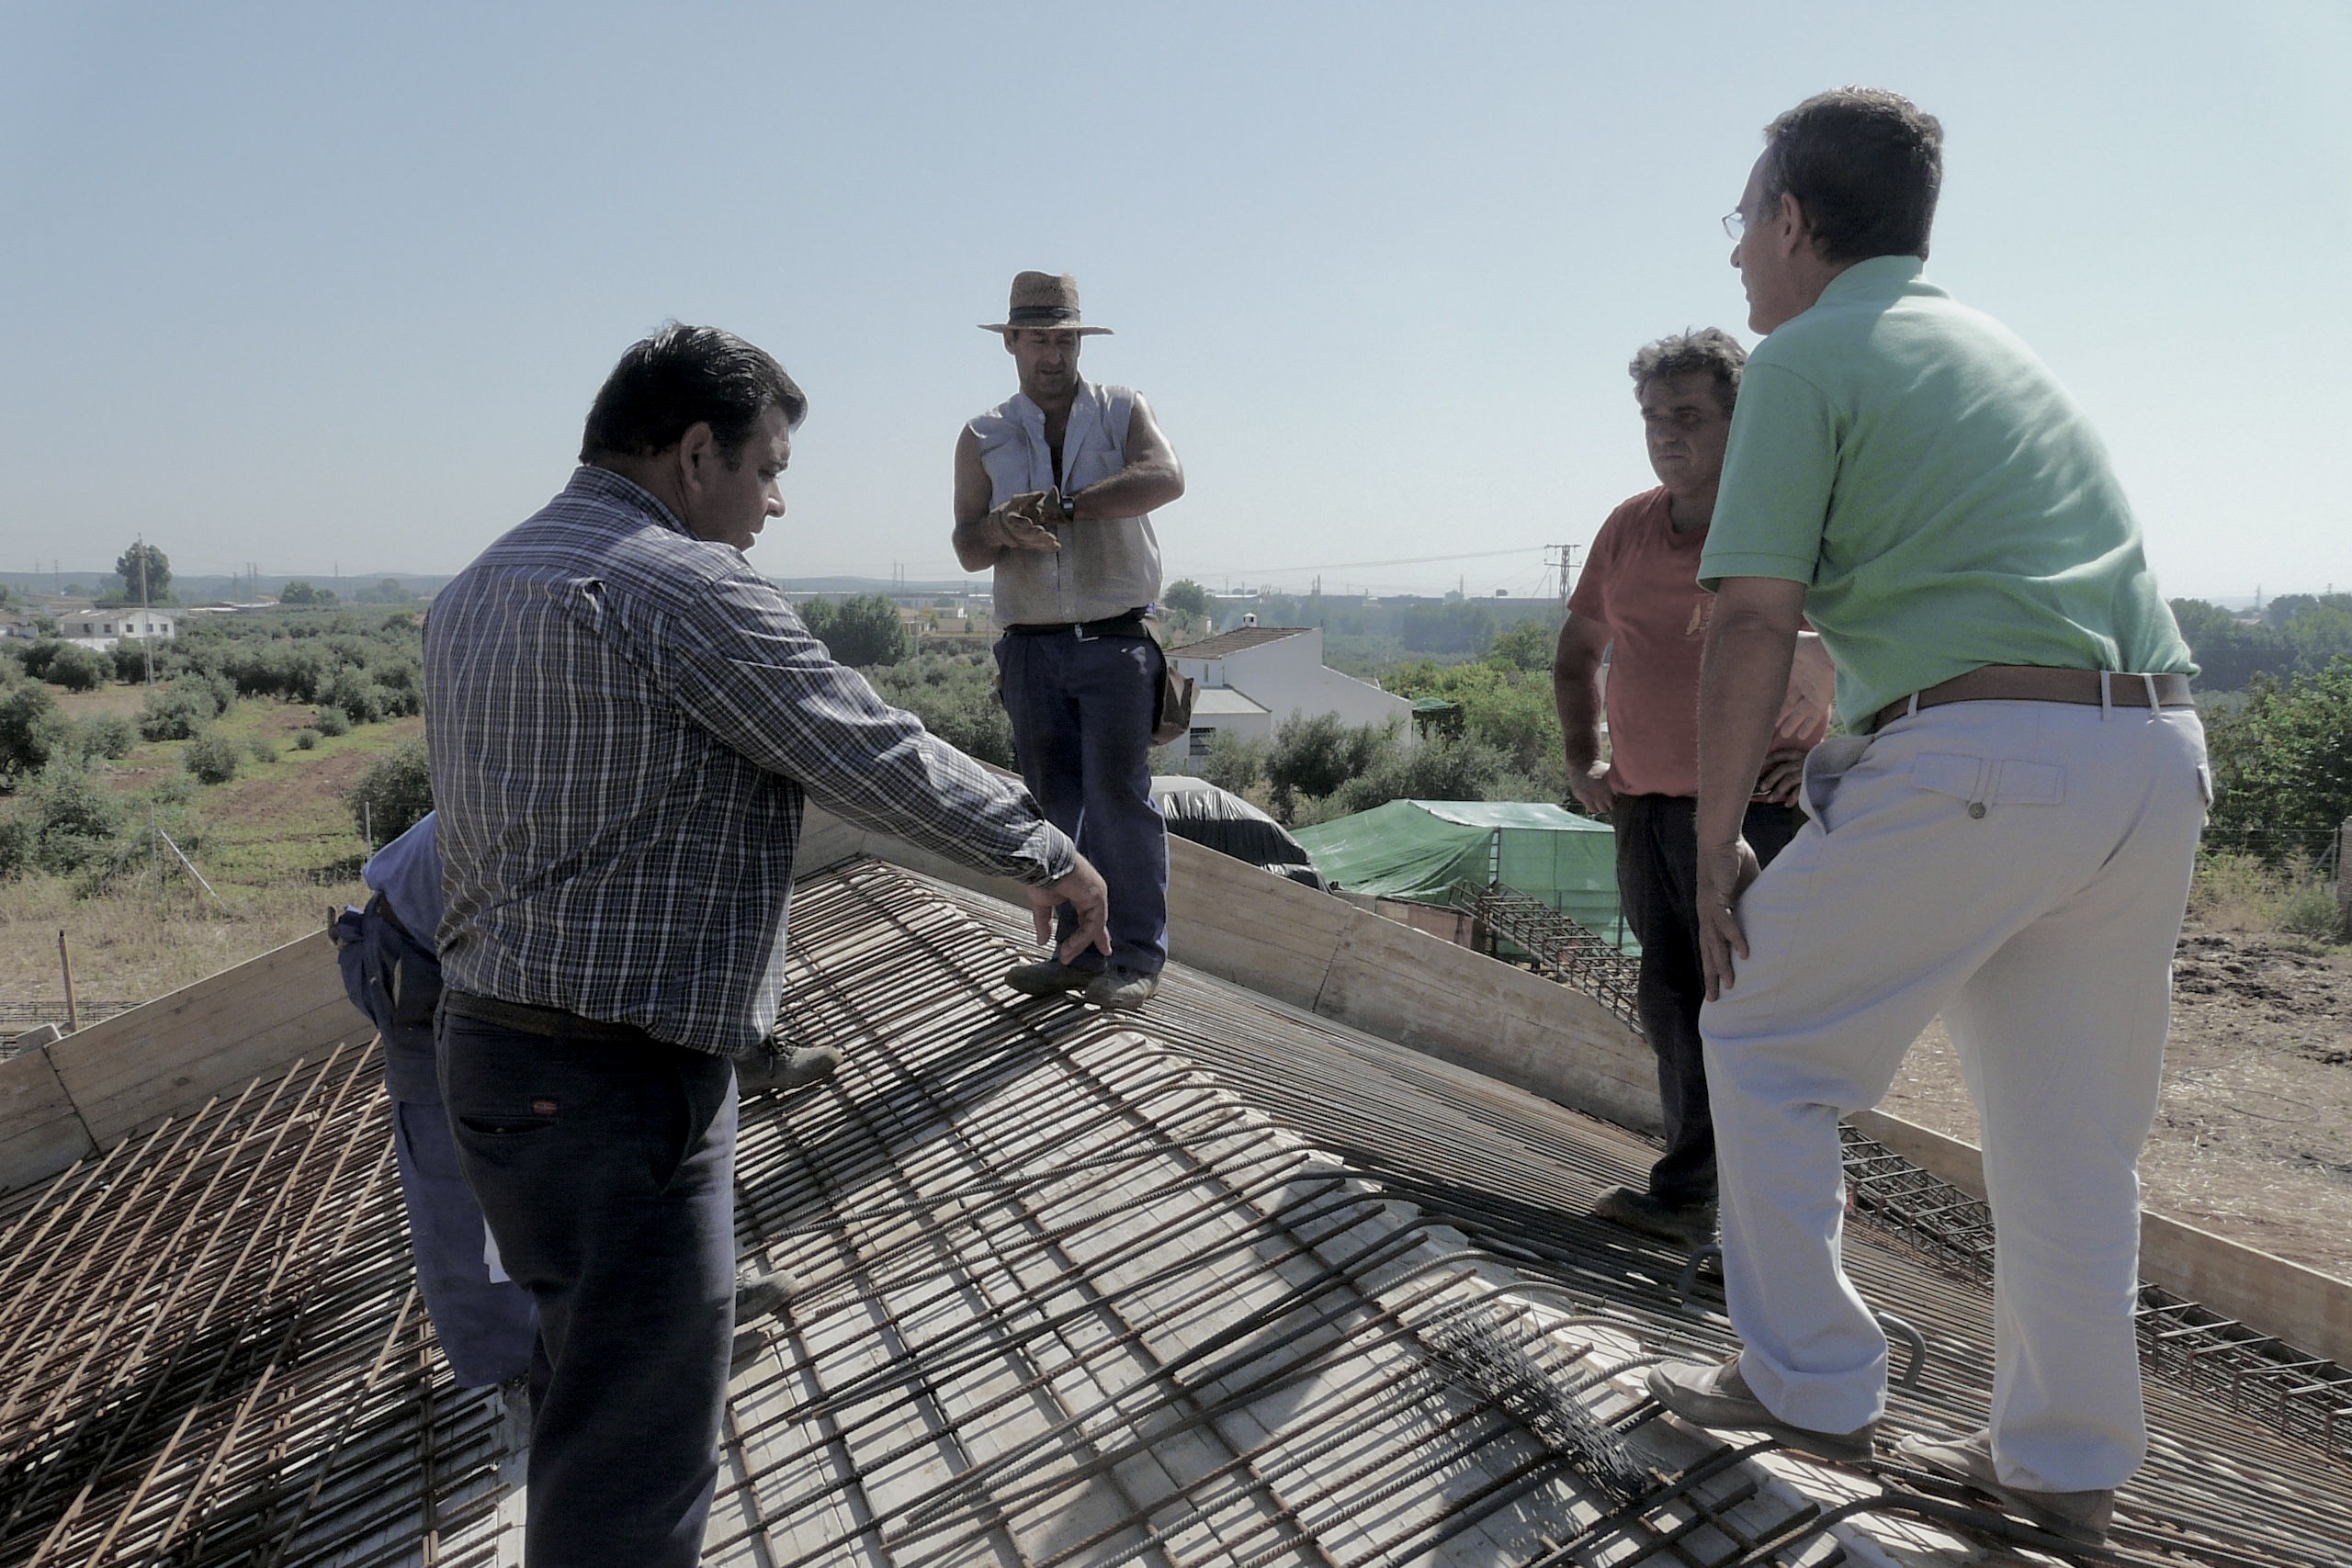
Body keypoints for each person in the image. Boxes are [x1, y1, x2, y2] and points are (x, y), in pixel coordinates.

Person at [424, 323, 1109, 1568]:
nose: (776, 506)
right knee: (638, 1455)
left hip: (497, 1065)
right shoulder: (673, 582)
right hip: (620, 1086)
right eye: (768, 469)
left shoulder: (481, 582)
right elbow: (865, 746)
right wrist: (1044, 849)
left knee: (589, 1401)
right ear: (697, 455)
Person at [1641, 90, 2203, 1548]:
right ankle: (2062, 1465)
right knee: (2070, 1139)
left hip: (1990, 761)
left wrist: (1713, 843)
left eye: (1743, 221)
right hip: (2150, 757)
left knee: (1758, 1028)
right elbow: (1959, 571)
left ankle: (1809, 1381)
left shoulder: (1804, 356)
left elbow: (1748, 617)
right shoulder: (1993, 348)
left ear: (1791, 220)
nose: (1737, 254)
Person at [330, 813, 831, 1388]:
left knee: (631, 1109)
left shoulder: (693, 810)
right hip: (422, 955)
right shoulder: (619, 823)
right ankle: (526, 1368)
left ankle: (681, 1302)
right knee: (472, 1166)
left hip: (515, 924)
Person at [1555, 329, 1831, 1247]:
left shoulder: (1784, 522)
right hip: (1645, 810)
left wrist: (1830, 757)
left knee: (1753, 1009)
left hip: (1758, 818)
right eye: (1652, 416)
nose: (1665, 433)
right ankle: (1686, 1198)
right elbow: (1578, 652)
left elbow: (1879, 647)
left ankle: (1769, 1230)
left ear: (1739, 422)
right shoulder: (1628, 527)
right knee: (1672, 1003)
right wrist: (1583, 757)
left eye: (1688, 415)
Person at [953, 271, 1185, 1010]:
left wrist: (1067, 507)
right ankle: (1076, 954)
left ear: (1079, 343)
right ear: (1012, 343)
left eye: (1063, 340)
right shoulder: (982, 434)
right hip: (1030, 648)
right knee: (1054, 806)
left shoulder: (1123, 409)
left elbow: (1166, 477)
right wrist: (1002, 527)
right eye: (1037, 340)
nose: (1051, 355)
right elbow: (966, 544)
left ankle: (1137, 955)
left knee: (1119, 799)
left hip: (1114, 638)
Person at [332, 811, 537, 1390]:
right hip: (421, 955)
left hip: (494, 933)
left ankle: (679, 1300)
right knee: (459, 1166)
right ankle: (513, 1366)